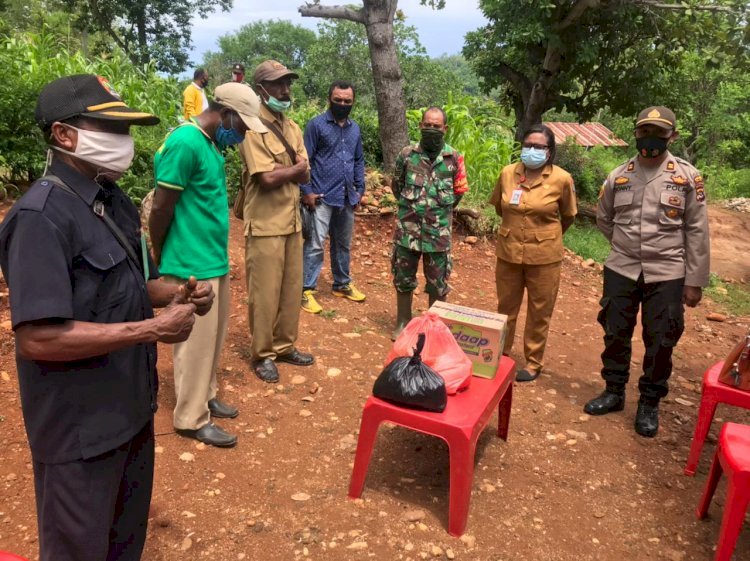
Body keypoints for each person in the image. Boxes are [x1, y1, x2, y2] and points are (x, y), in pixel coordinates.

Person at [0, 74, 214, 561]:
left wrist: (181, 292)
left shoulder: (109, 200)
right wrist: (152, 330)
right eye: (110, 129)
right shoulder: (40, 218)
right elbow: (39, 338)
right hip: (80, 431)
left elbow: (134, 285)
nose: (125, 143)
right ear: (63, 134)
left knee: (124, 542)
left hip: (130, 412)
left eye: (126, 130)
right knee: (79, 548)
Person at [150, 83, 266, 447]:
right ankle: (189, 417)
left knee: (212, 340)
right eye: (242, 124)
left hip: (212, 259)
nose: (244, 133)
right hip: (189, 262)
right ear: (224, 113)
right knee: (193, 343)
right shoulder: (186, 142)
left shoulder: (213, 144)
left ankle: (207, 394)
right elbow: (161, 207)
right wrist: (160, 256)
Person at [583, 106, 710, 437]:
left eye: (658, 132)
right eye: (644, 131)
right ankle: (613, 391)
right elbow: (603, 218)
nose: (649, 138)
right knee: (614, 330)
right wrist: (626, 246)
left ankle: (649, 403)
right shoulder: (618, 176)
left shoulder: (687, 177)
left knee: (662, 339)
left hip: (667, 271)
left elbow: (697, 230)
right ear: (635, 133)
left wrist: (694, 281)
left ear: (673, 136)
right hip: (622, 267)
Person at [239, 59, 314, 383]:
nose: (285, 90)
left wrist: (294, 172)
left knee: (289, 290)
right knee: (265, 294)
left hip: (292, 221)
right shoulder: (251, 127)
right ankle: (263, 354)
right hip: (265, 224)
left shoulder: (294, 127)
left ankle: (285, 346)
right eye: (277, 84)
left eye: (287, 83)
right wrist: (294, 171)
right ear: (261, 90)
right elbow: (267, 178)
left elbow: (305, 169)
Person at [489, 125, 577, 382]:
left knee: (540, 311)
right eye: (528, 145)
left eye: (539, 147)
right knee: (506, 307)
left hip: (545, 257)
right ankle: (501, 354)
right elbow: (499, 207)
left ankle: (533, 362)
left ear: (549, 152)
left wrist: (546, 236)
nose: (532, 150)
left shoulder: (562, 179)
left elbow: (569, 216)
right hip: (508, 252)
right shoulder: (508, 173)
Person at [391, 106, 469, 340]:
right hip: (408, 231)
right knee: (403, 278)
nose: (431, 129)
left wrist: (438, 212)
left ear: (445, 129)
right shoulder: (406, 154)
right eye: (427, 125)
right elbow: (397, 186)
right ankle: (403, 321)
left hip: (438, 235)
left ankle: (434, 329)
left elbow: (458, 192)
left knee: (437, 283)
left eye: (436, 126)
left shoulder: (454, 158)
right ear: (420, 126)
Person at [300, 80, 366, 314]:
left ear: (353, 102)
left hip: (347, 196)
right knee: (315, 244)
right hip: (321, 196)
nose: (342, 104)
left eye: (347, 101)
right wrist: (306, 191)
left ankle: (342, 284)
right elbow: (304, 160)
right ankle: (306, 289)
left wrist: (360, 189)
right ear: (330, 99)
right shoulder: (316, 125)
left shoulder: (354, 128)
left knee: (342, 244)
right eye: (338, 100)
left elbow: (358, 159)